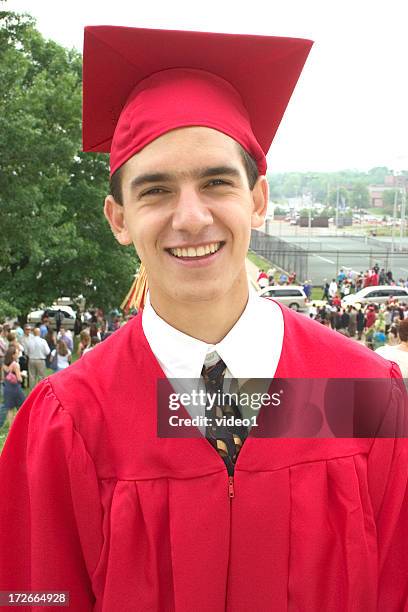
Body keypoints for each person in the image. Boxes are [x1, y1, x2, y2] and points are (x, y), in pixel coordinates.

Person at [0, 26, 407, 612]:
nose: (191, 218)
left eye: (216, 182)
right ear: (118, 219)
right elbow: (34, 594)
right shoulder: (71, 420)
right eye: (156, 191)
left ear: (258, 199)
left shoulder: (362, 396)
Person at [0, 347, 26, 428]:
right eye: (17, 353)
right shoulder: (16, 365)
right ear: (13, 355)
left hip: (7, 388)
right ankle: (24, 425)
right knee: (23, 407)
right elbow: (19, 379)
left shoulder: (3, 365)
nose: (18, 354)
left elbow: (3, 378)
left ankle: (11, 428)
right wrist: (23, 374)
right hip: (16, 389)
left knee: (10, 409)